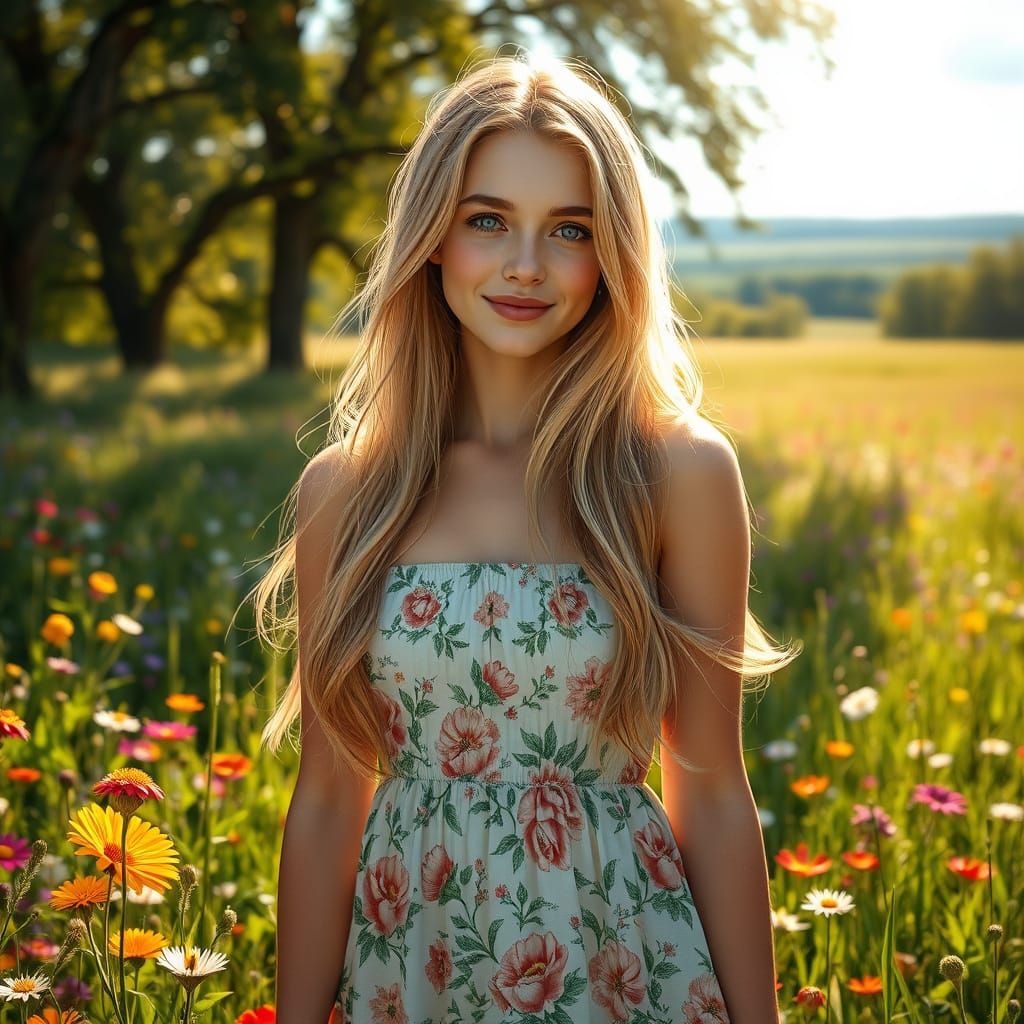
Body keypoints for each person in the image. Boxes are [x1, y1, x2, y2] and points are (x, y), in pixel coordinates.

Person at [251, 50, 801, 1024]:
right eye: (488, 220)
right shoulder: (350, 490)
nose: (524, 266)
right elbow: (330, 799)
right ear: (432, 237)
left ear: (610, 255)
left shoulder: (674, 472)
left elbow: (711, 790)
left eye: (569, 231)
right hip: (410, 973)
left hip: (620, 966)